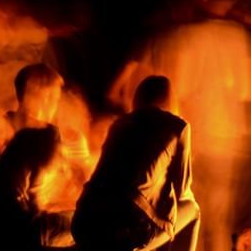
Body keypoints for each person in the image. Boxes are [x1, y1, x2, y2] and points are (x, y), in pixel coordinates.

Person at [74, 76, 200, 251]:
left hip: (84, 220)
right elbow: (182, 191)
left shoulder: (119, 124)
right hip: (128, 230)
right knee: (192, 209)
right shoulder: (178, 126)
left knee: (160, 213)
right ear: (171, 100)